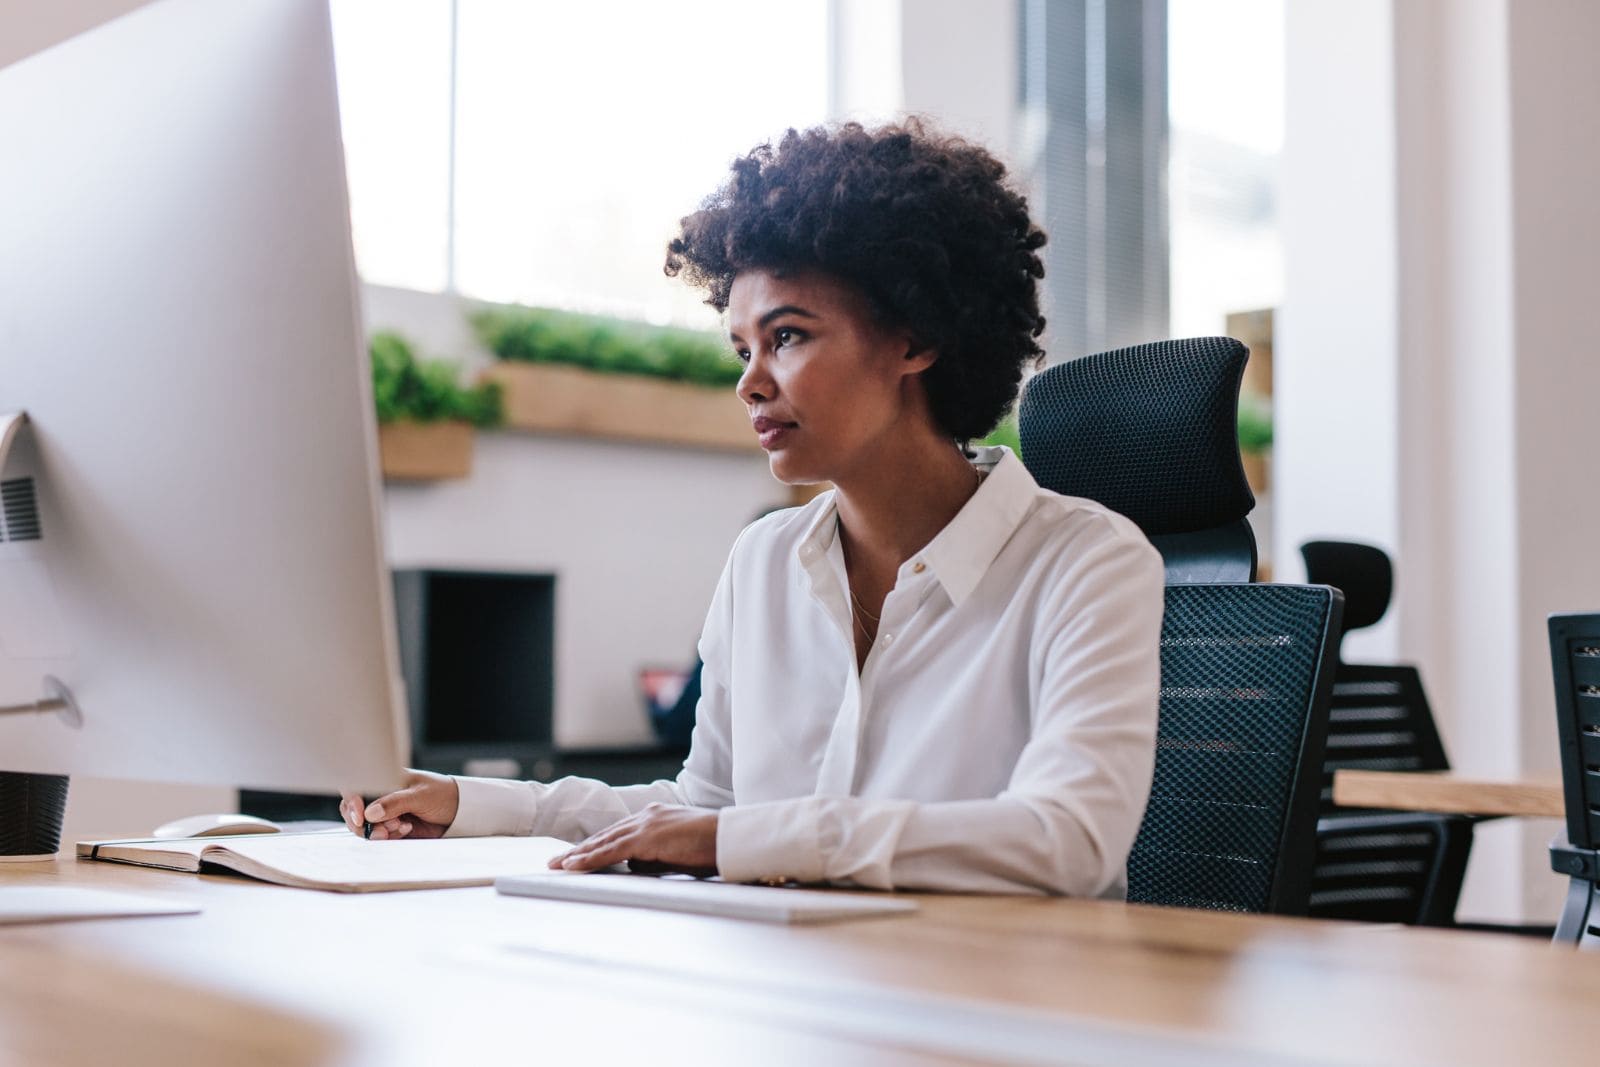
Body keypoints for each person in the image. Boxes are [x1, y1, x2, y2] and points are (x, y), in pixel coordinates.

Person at [341, 120, 1164, 896]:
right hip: (801, 997)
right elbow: (703, 808)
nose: (750, 382)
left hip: (1008, 1014)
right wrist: (474, 805)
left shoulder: (1088, 562)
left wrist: (752, 839)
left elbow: (1068, 840)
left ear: (915, 340)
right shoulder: (764, 560)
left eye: (789, 337)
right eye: (743, 348)